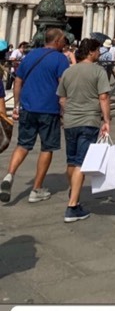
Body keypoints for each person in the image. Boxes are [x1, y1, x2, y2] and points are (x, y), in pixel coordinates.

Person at [0, 28, 70, 204]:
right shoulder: (61, 59)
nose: (65, 43)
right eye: (63, 40)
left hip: (28, 108)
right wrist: (64, 111)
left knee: (23, 144)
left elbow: (18, 81)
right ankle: (36, 189)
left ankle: (9, 175)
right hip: (49, 110)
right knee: (47, 147)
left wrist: (17, 105)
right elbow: (63, 87)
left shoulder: (30, 56)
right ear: (57, 41)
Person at [56, 38, 111, 223]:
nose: (99, 54)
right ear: (91, 52)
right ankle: (72, 206)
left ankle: (74, 190)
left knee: (71, 161)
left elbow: (62, 98)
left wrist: (67, 113)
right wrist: (106, 120)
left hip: (70, 121)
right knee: (81, 162)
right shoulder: (98, 71)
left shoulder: (68, 71)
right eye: (97, 51)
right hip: (89, 121)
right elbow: (103, 97)